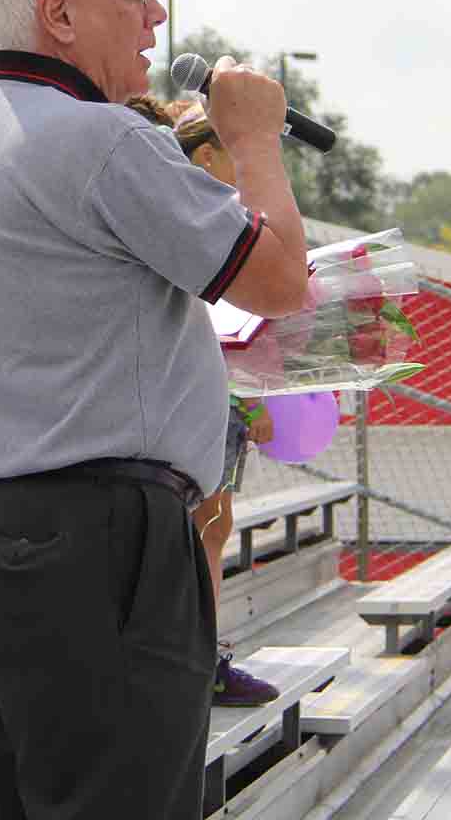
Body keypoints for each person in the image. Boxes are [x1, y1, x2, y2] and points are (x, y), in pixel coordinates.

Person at [0, 0, 310, 818]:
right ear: (60, 11)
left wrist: (40, 365)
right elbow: (278, 283)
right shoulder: (104, 139)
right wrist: (255, 141)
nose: (156, 18)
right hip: (103, 532)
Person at [173, 106, 283, 707]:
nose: (243, 169)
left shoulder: (217, 215)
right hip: (197, 399)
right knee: (205, 528)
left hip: (219, 397)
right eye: (233, 154)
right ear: (206, 155)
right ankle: (198, 660)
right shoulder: (189, 215)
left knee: (215, 525)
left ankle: (203, 655)